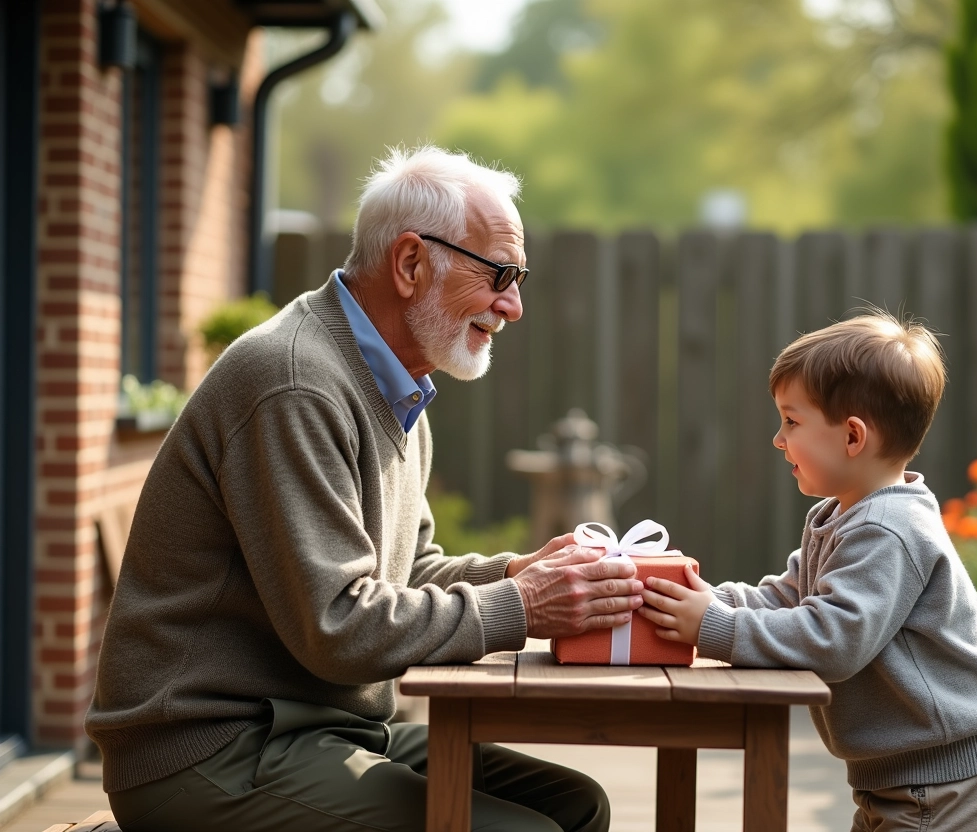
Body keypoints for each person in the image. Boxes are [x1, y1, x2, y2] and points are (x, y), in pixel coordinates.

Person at [86, 146, 644, 832]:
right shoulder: (293, 381)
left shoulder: (398, 390)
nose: (515, 305)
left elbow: (407, 573)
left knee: (577, 806)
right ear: (411, 263)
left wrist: (516, 573)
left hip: (321, 727)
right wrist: (522, 606)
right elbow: (340, 628)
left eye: (519, 277)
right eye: (499, 273)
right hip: (212, 750)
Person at [638, 311, 977, 832]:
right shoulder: (843, 515)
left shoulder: (888, 528)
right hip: (904, 778)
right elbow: (788, 598)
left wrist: (713, 626)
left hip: (944, 783)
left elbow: (834, 638)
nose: (778, 439)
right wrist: (706, 598)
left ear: (853, 437)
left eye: (791, 422)